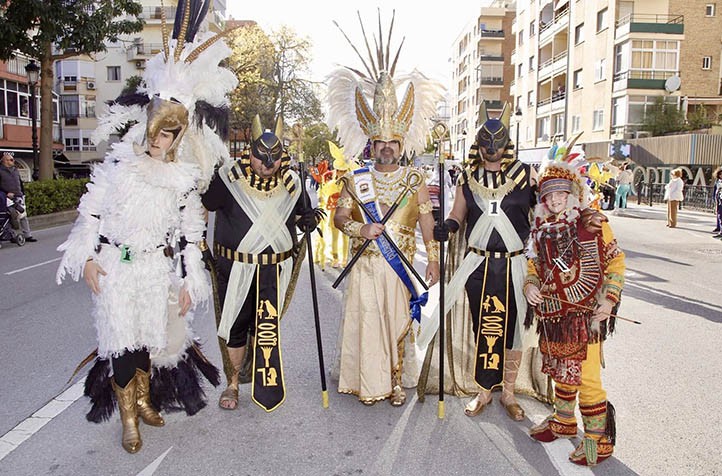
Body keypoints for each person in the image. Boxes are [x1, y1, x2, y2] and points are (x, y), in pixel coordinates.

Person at [56, 3, 238, 454]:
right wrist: (87, 260)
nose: (159, 141)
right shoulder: (119, 164)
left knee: (152, 342)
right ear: (145, 128)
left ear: (178, 137)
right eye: (155, 133)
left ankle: (145, 401)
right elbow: (91, 213)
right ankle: (130, 419)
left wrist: (190, 279)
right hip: (118, 269)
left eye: (168, 135)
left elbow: (191, 234)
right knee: (121, 341)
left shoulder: (183, 180)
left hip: (157, 273)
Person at [326, 11, 443, 406]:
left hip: (402, 264)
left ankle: (395, 381)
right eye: (381, 143)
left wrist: (435, 258)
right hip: (365, 264)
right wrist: (361, 230)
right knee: (367, 324)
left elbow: (427, 219)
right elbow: (340, 217)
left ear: (401, 144)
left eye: (393, 142)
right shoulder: (354, 179)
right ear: (371, 145)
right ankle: (367, 381)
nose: (387, 148)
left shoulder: (414, 179)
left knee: (396, 323)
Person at [202, 115, 319, 412]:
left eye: (273, 159)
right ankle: (232, 382)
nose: (266, 164)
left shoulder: (291, 181)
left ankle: (262, 375)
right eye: (260, 157)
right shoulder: (228, 178)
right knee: (237, 326)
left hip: (275, 268)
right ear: (250, 152)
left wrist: (308, 218)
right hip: (235, 267)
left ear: (281, 158)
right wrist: (198, 244)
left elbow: (305, 214)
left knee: (266, 327)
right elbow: (201, 206)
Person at [431, 102, 536, 420]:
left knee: (514, 328)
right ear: (479, 144)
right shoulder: (467, 177)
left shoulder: (526, 174)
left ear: (507, 144)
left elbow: (545, 212)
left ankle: (509, 393)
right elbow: (457, 216)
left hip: (515, 265)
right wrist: (445, 227)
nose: (493, 149)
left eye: (498, 142)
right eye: (487, 143)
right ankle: (484, 392)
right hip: (480, 267)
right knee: (487, 327)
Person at [523, 156, 625, 467]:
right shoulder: (539, 229)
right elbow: (534, 265)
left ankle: (598, 439)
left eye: (561, 194)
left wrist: (608, 301)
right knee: (560, 368)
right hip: (554, 315)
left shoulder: (592, 222)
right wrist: (530, 285)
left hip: (586, 315)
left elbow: (616, 262)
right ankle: (564, 420)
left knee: (588, 376)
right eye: (548, 196)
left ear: (573, 193)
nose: (554, 200)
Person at [0, 152, 36, 242]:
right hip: (7, 197)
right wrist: (6, 193)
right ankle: (11, 234)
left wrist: (22, 193)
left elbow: (19, 182)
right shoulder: (0, 171)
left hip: (18, 195)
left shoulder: (15, 170)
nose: (13, 161)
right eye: (11, 160)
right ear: (5, 161)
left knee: (23, 214)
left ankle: (27, 235)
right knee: (10, 215)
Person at [712, 167, 722, 238]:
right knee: (719, 215)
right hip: (719, 199)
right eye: (720, 174)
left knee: (720, 215)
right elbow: (715, 190)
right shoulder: (718, 181)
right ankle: (720, 229)